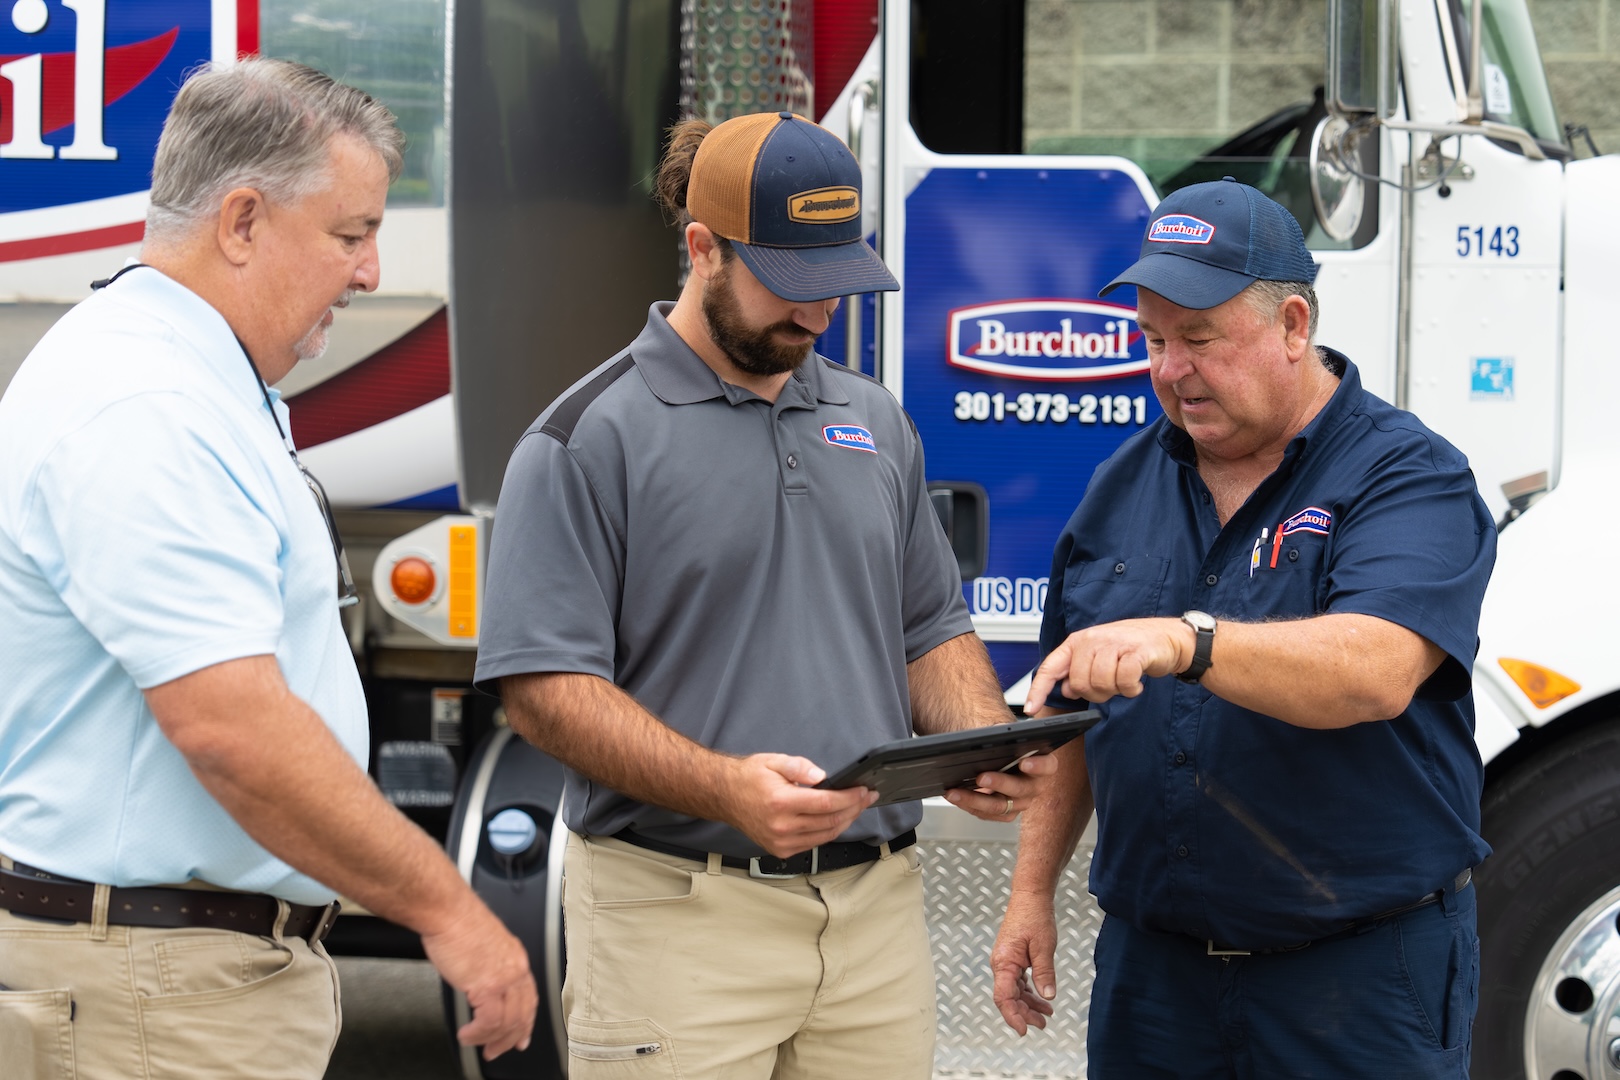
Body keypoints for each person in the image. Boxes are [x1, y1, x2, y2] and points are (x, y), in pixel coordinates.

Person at [473, 110, 1055, 1079]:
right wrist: (725, 789)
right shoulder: (585, 439)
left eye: (838, 284)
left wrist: (982, 744)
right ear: (703, 249)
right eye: (792, 283)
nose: (819, 315)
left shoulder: (874, 420)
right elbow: (543, 691)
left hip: (875, 918)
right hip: (676, 915)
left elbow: (928, 625)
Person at [0, 59, 535, 1079]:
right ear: (242, 221)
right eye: (350, 234)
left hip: (167, 979)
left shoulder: (173, 378)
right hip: (156, 1000)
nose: (371, 271)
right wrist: (450, 909)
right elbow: (231, 728)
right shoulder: (150, 408)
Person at [989, 178, 1496, 1078]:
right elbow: (1072, 716)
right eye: (1153, 341)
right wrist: (1031, 892)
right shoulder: (1120, 484)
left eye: (1200, 339)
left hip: (1358, 981)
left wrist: (1187, 641)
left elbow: (1375, 668)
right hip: (1155, 982)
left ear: (1293, 325)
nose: (1170, 370)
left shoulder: (1408, 475)